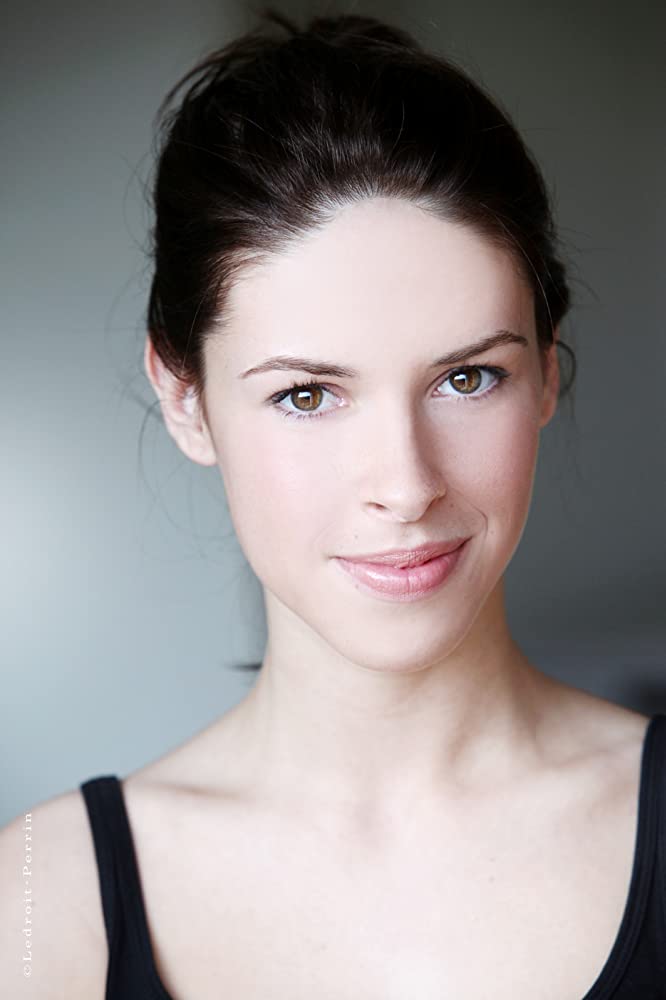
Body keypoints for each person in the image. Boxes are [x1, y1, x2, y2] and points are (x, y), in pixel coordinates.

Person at [1, 8, 664, 998]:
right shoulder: (40, 907)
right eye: (307, 395)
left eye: (468, 378)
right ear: (185, 399)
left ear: (546, 372)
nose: (406, 484)